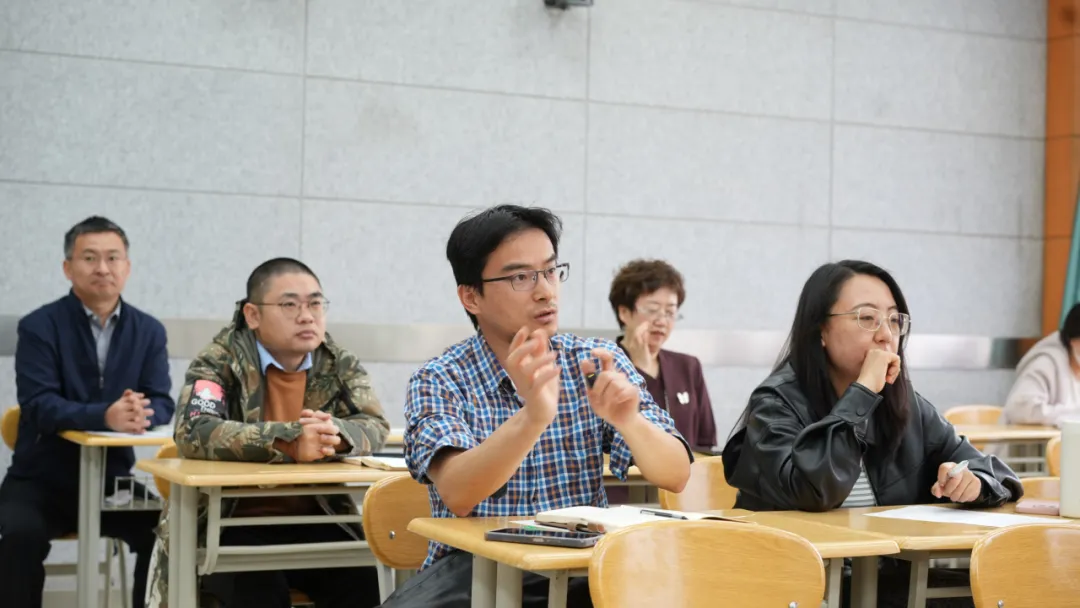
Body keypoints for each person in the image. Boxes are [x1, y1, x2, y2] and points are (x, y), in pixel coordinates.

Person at [382, 205, 692, 608]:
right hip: (476, 574)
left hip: (579, 571)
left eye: (550, 271)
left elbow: (676, 474)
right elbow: (458, 492)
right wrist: (533, 417)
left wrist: (630, 421)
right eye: (521, 277)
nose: (545, 291)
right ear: (471, 296)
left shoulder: (591, 362)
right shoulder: (440, 378)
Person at [722, 259, 1022, 608]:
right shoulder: (776, 403)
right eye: (867, 318)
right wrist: (862, 392)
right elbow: (814, 491)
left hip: (887, 583)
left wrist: (974, 483)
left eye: (894, 320)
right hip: (798, 584)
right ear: (820, 330)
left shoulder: (906, 405)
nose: (886, 335)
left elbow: (997, 474)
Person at [146, 258, 389, 608]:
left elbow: (374, 423)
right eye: (290, 305)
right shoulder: (220, 359)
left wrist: (335, 435)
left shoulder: (338, 362)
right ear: (253, 315)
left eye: (315, 304)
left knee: (369, 583)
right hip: (228, 520)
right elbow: (194, 429)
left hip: (315, 516)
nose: (306, 316)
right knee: (259, 592)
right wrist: (288, 440)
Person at [0, 216, 175, 608]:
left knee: (168, 533)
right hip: (39, 480)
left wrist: (139, 412)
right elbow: (39, 405)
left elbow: (163, 401)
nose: (103, 268)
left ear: (127, 267)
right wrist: (106, 416)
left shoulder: (149, 330)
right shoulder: (39, 326)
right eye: (90, 258)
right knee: (18, 537)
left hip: (113, 483)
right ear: (68, 267)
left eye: (113, 258)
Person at [608, 259, 717, 452]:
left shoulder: (688, 367)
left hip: (686, 470)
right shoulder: (604, 365)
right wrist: (640, 369)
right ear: (624, 312)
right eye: (652, 310)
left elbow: (705, 441)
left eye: (670, 312)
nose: (662, 321)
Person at [1003, 302, 1080, 426]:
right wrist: (1069, 415)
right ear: (1072, 340)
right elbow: (1019, 408)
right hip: (1026, 438)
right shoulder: (1046, 365)